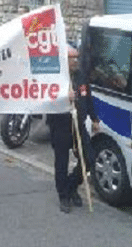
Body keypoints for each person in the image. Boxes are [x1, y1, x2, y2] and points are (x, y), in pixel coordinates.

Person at [46, 45, 100, 213]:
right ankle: (63, 195)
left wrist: (94, 118)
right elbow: (45, 101)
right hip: (60, 126)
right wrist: (63, 98)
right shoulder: (54, 79)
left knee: (89, 158)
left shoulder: (80, 76)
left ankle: (71, 186)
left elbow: (87, 97)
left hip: (79, 124)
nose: (76, 61)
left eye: (76, 58)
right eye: (72, 59)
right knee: (61, 162)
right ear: (64, 61)